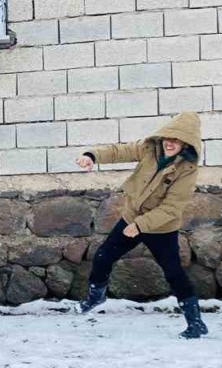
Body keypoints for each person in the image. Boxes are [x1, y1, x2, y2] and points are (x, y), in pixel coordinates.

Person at [75, 111, 209, 339]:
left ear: (186, 143)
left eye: (177, 140)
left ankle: (195, 323)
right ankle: (96, 296)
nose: (170, 143)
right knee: (103, 257)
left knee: (174, 273)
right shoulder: (149, 149)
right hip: (131, 217)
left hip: (161, 228)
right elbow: (120, 151)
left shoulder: (187, 169)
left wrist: (140, 226)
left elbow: (171, 208)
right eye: (169, 137)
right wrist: (92, 156)